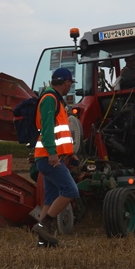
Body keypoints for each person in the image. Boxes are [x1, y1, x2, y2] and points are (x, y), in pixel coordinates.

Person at [31, 67, 79, 248]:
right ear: (66, 82)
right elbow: (47, 128)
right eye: (70, 84)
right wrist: (52, 153)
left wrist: (69, 153)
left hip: (52, 156)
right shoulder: (50, 99)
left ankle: (43, 242)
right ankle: (43, 224)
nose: (70, 87)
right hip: (48, 157)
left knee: (50, 199)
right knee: (71, 190)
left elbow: (60, 132)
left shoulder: (55, 99)